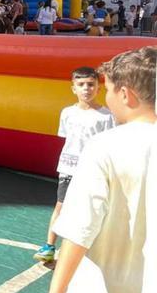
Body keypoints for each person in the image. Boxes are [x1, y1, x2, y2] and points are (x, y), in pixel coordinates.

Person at [48, 46, 157, 293]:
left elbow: (81, 226)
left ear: (125, 94)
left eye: (107, 90)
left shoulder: (104, 146)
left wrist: (58, 289)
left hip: (104, 288)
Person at [32, 67, 114, 264]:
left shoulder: (107, 116)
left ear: (98, 87)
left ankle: (90, 250)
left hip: (94, 171)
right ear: (73, 89)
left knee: (93, 210)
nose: (86, 88)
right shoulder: (67, 113)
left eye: (91, 84)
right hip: (69, 169)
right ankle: (49, 246)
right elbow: (67, 139)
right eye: (81, 85)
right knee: (61, 206)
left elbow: (109, 145)